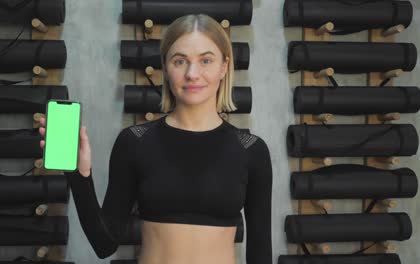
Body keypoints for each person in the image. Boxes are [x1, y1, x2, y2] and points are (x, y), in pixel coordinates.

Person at [38, 14, 272, 264]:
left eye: (206, 60)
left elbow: (260, 253)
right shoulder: (134, 142)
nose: (193, 74)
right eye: (180, 61)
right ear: (165, 67)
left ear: (224, 67)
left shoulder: (251, 151)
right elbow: (104, 244)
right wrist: (78, 173)